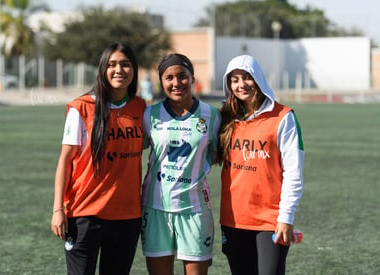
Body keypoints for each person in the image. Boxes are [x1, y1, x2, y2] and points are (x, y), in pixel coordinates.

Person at [50, 43, 145, 275]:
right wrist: (57, 209)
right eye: (112, 65)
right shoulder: (82, 108)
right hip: (84, 215)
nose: (119, 70)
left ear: (134, 70)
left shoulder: (141, 108)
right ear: (102, 69)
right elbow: (65, 159)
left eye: (125, 64)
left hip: (127, 216)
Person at [218, 55, 304, 275]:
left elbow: (294, 172)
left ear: (258, 78)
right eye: (234, 80)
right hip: (233, 220)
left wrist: (286, 217)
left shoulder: (283, 117)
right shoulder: (226, 118)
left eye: (247, 77)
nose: (240, 85)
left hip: (270, 220)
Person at [141, 53, 221, 275]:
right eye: (169, 78)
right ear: (161, 82)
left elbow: (217, 154)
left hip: (195, 210)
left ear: (192, 78)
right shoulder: (149, 115)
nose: (176, 83)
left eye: (182, 76)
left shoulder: (212, 115)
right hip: (156, 207)